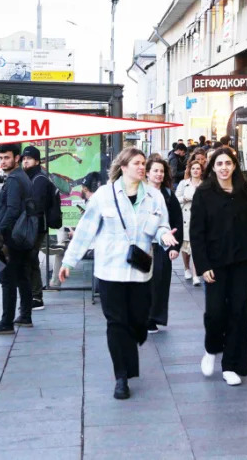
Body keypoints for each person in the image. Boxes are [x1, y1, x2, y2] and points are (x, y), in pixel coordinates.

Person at [58, 147, 178, 400]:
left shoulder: (154, 197)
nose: (142, 167)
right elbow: (85, 230)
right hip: (110, 271)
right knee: (116, 323)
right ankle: (121, 377)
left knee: (138, 323)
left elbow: (161, 226)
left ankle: (134, 342)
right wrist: (69, 261)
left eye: (143, 163)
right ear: (123, 167)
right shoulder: (104, 195)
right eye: (136, 163)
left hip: (139, 273)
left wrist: (165, 236)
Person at [190, 147, 247, 386]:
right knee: (215, 311)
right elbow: (196, 232)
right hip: (214, 262)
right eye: (219, 164)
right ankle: (211, 348)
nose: (224, 168)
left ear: (234, 165)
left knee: (239, 310)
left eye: (228, 163)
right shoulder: (204, 193)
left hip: (242, 260)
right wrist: (202, 264)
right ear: (212, 167)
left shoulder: (246, 191)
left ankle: (231, 365)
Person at [0, 143, 35, 335]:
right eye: (0, 158)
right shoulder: (21, 176)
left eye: (6, 157)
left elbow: (13, 210)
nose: (3, 162)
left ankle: (7, 321)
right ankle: (25, 315)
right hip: (21, 235)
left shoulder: (15, 179)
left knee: (7, 279)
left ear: (17, 158)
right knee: (22, 275)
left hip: (11, 236)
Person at [145, 154, 183, 333]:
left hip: (163, 246)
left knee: (160, 282)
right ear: (147, 173)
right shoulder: (139, 192)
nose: (159, 174)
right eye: (155, 171)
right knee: (143, 283)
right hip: (143, 245)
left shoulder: (168, 195)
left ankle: (153, 318)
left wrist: (175, 247)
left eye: (161, 171)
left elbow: (177, 221)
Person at [21, 145, 60, 310]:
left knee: (30, 260)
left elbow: (36, 205)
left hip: (36, 226)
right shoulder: (31, 177)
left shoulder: (39, 179)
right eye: (24, 159)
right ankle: (34, 296)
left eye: (28, 158)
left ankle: (36, 297)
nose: (25, 161)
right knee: (31, 260)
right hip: (33, 225)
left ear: (37, 160)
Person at [175, 157, 204, 286]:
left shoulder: (204, 185)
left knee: (196, 247)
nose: (195, 171)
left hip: (199, 219)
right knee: (185, 247)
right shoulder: (183, 183)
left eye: (198, 168)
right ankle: (186, 268)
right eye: (193, 168)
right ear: (190, 170)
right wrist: (185, 198)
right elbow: (176, 199)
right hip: (185, 218)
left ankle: (195, 274)